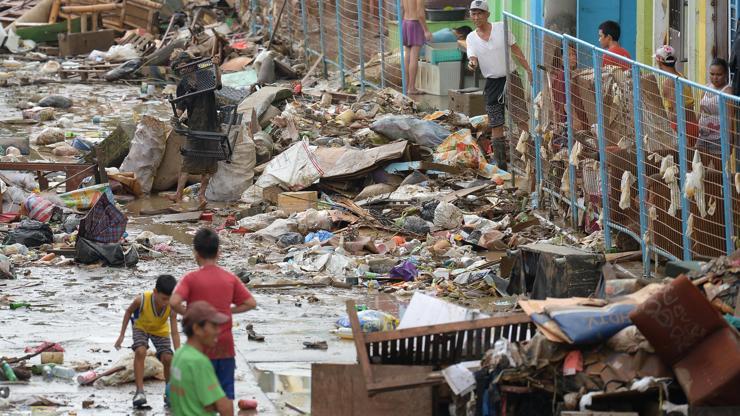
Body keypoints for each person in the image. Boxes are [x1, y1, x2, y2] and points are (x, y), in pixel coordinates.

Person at [170, 228, 257, 400]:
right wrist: (227, 310)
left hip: (200, 347)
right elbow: (250, 303)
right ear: (219, 252)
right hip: (225, 346)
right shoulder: (229, 278)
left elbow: (173, 302)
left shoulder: (190, 278)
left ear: (196, 252)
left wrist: (190, 314)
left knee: (200, 398)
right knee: (225, 397)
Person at [465, 0, 532, 170]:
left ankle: (530, 159)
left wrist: (529, 70)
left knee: (521, 119)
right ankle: (501, 165)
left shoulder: (501, 28)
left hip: (511, 78)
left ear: (487, 15)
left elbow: (516, 49)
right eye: (473, 13)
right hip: (493, 83)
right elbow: (472, 58)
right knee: (496, 123)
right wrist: (472, 64)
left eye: (480, 13)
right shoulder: (471, 38)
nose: (476, 16)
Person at [114, 274, 180, 408]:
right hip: (141, 327)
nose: (166, 302)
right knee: (140, 351)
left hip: (160, 330)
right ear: (155, 292)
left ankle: (169, 393)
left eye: (170, 299)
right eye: (164, 299)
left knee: (168, 358)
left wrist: (179, 352)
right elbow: (128, 312)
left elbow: (174, 331)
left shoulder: (173, 306)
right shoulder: (142, 300)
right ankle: (139, 392)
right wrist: (121, 335)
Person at [168, 50, 223, 209]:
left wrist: (216, 66)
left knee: (209, 162)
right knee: (188, 160)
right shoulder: (183, 85)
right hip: (195, 125)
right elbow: (180, 107)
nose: (183, 69)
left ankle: (201, 194)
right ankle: (178, 193)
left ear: (189, 63)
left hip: (211, 124)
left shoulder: (204, 75)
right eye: (180, 67)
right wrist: (175, 118)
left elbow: (217, 84)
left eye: (184, 65)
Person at [170, 301, 233, 416]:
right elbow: (225, 407)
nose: (218, 331)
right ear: (197, 329)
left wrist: (212, 405)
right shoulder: (199, 362)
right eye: (214, 326)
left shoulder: (179, 355)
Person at [655, 45, 699, 147]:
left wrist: (662, 120)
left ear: (659, 62)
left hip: (681, 128)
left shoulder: (669, 82)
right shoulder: (682, 77)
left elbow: (676, 113)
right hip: (692, 126)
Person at [697, 58, 732, 168]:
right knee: (698, 169)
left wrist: (729, 141)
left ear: (725, 74)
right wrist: (694, 129)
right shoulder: (706, 87)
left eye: (719, 74)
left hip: (719, 138)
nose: (715, 78)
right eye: (712, 74)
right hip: (702, 136)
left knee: (719, 173)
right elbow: (700, 111)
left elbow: (730, 117)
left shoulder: (727, 91)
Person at [401, 0, 432, 95]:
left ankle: (406, 87)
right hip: (415, 23)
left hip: (405, 22)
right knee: (414, 56)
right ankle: (412, 87)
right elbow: (420, 14)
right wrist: (426, 30)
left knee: (407, 56)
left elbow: (402, 7)